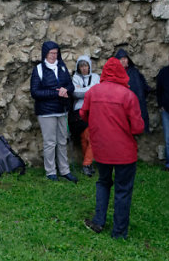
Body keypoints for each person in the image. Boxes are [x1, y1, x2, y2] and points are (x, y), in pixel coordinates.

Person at [80, 57, 145, 239]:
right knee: (123, 189)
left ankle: (99, 221)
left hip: (101, 149)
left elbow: (83, 114)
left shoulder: (93, 92)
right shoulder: (128, 95)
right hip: (124, 151)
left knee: (103, 182)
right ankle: (119, 232)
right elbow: (138, 127)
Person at [30, 41, 78, 182]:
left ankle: (64, 170)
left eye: (56, 53)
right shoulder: (38, 69)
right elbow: (35, 92)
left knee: (62, 141)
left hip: (62, 110)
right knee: (50, 142)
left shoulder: (62, 67)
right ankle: (51, 171)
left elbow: (70, 85)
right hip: (46, 112)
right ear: (45, 53)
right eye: (51, 53)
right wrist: (55, 93)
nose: (53, 56)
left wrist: (66, 90)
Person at [71, 55, 99, 177]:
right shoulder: (75, 78)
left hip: (93, 110)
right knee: (84, 137)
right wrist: (91, 89)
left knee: (91, 136)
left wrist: (84, 90)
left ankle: (87, 163)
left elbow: (98, 91)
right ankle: (87, 164)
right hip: (79, 112)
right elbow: (75, 93)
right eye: (81, 66)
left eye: (86, 65)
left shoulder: (96, 77)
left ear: (89, 66)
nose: (84, 68)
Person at [114, 48, 151, 133]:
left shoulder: (134, 72)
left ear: (128, 60)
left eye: (125, 58)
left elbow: (143, 86)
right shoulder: (114, 74)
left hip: (137, 104)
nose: (123, 61)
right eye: (120, 59)